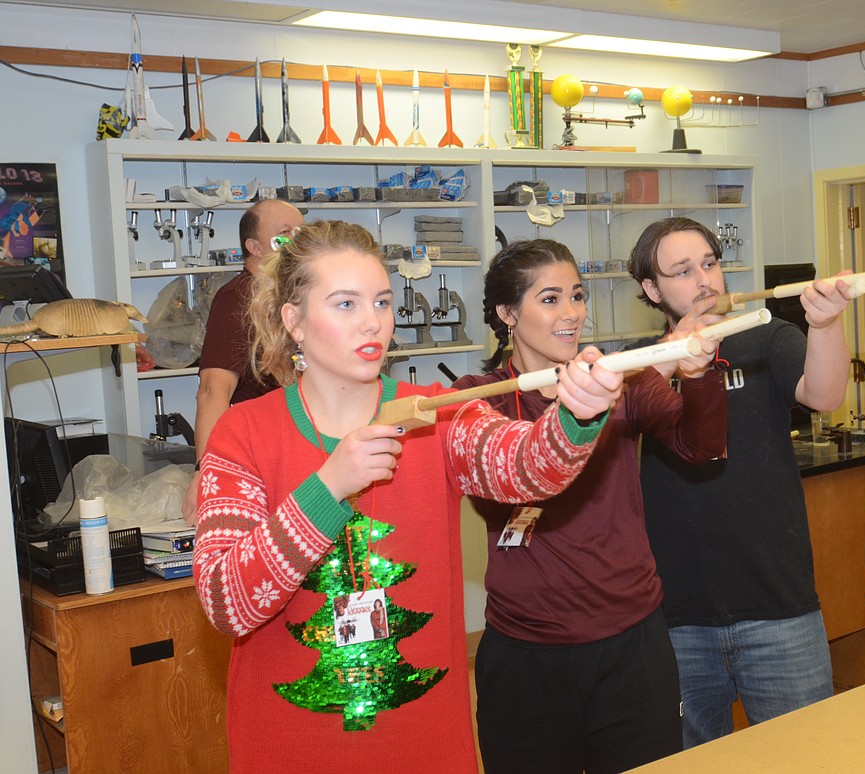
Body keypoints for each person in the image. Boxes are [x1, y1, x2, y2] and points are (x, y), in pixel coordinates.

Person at [192, 221, 622, 773]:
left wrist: (576, 416)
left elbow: (525, 467)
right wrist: (328, 488)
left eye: (381, 301)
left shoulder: (433, 412)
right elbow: (227, 603)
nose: (373, 322)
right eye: (345, 304)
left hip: (425, 749)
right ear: (293, 321)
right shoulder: (243, 433)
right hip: (290, 751)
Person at [457, 238, 727, 774]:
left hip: (632, 643)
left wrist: (699, 376)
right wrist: (571, 417)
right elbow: (499, 502)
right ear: (508, 314)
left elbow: (701, 448)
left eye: (577, 296)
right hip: (526, 653)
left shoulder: (620, 379)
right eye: (551, 299)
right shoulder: (478, 398)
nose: (573, 314)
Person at [626, 217, 852, 748]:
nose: (704, 280)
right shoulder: (640, 364)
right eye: (681, 271)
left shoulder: (766, 336)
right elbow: (612, 420)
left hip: (778, 608)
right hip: (677, 618)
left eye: (710, 263)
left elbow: (825, 394)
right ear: (652, 290)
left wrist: (825, 325)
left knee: (806, 754)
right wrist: (673, 355)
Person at [182, 198, 304, 525]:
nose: (297, 242)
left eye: (303, 233)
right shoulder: (237, 300)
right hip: (266, 456)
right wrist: (205, 474)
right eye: (284, 235)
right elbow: (212, 391)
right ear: (255, 247)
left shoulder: (294, 296)